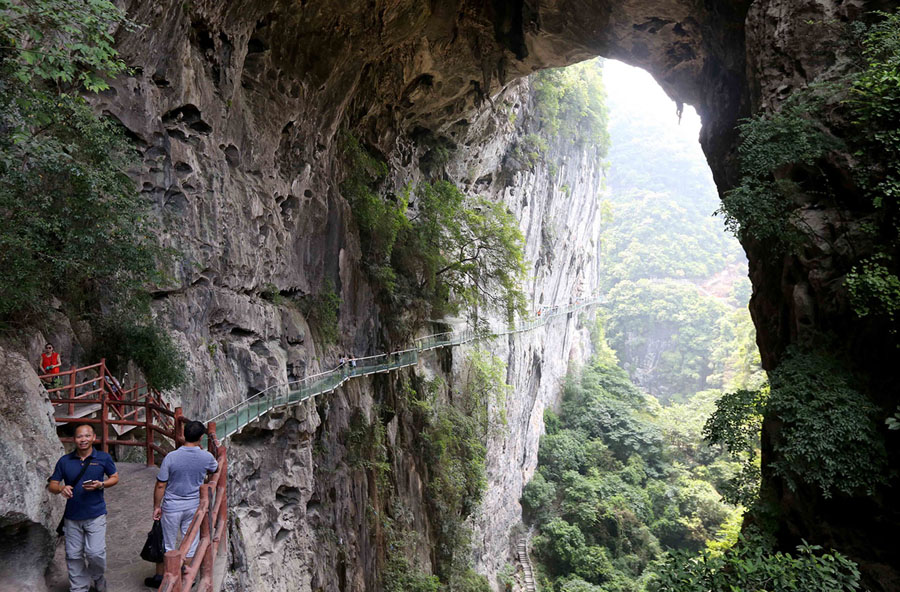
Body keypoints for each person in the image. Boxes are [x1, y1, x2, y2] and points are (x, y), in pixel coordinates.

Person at [146, 420, 218, 588]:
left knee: (168, 543)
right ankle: (188, 577)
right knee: (191, 541)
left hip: (172, 506)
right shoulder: (205, 457)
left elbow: (161, 484)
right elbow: (215, 469)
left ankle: (165, 578)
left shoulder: (171, 457)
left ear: (184, 434)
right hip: (193, 506)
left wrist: (157, 506)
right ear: (201, 438)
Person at [47, 423, 119, 592]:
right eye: (80, 436)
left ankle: (97, 576)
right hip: (72, 516)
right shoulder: (64, 461)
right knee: (73, 555)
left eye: (87, 436)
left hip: (96, 514)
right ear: (74, 439)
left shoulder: (103, 458)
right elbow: (52, 485)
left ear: (94, 438)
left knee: (95, 553)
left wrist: (101, 484)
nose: (83, 439)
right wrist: (61, 488)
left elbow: (114, 477)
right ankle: (79, 587)